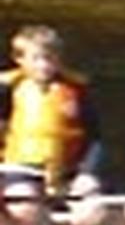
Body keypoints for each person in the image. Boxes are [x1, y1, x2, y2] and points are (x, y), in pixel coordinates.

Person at [1, 24, 104, 195]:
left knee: (92, 195)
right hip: (19, 169)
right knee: (24, 195)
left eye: (50, 59)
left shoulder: (77, 90)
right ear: (19, 58)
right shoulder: (7, 89)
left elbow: (95, 138)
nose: (44, 66)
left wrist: (87, 172)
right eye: (36, 59)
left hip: (67, 170)